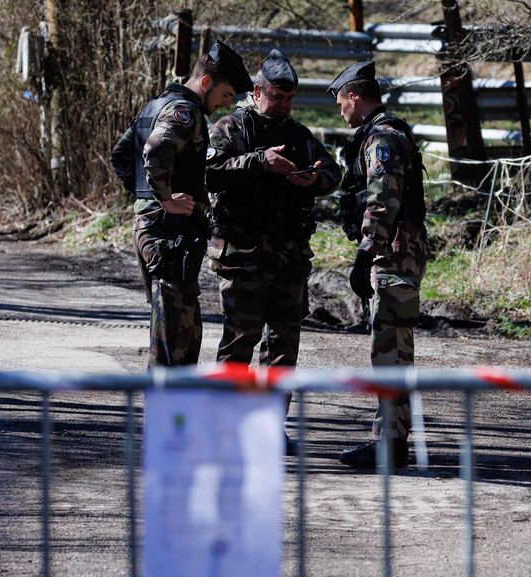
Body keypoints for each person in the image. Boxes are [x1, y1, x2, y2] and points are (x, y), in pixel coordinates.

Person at [205, 50, 342, 454]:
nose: (283, 105)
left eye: (289, 99)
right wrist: (258, 162)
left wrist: (313, 180)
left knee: (283, 348)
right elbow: (208, 174)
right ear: (257, 92)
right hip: (243, 256)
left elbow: (333, 173)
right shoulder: (230, 128)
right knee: (238, 344)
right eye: (277, 97)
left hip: (289, 259)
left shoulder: (299, 134)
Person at [109, 40, 252, 367]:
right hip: (168, 236)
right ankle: (164, 417)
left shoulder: (156, 105)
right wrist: (165, 200)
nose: (225, 105)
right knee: (174, 344)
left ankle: (173, 415)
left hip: (156, 232)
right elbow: (156, 151)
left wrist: (146, 200)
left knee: (180, 334)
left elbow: (120, 156)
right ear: (205, 83)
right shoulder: (185, 112)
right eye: (226, 95)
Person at [328, 61, 429, 469]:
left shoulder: (381, 138)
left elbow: (382, 198)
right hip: (398, 247)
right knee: (394, 347)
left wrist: (366, 251)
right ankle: (393, 439)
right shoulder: (384, 131)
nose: (340, 112)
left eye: (340, 103)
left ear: (355, 96)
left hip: (394, 250)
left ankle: (390, 442)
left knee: (389, 348)